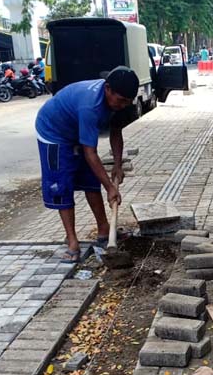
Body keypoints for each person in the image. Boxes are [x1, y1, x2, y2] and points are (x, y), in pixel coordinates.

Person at [34, 66, 139, 263]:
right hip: (54, 133)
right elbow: (90, 153)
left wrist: (117, 165)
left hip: (77, 131)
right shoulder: (90, 106)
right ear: (108, 89)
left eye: (128, 101)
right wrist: (110, 187)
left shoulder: (119, 104)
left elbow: (116, 132)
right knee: (62, 187)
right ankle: (72, 241)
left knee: (91, 180)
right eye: (121, 100)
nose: (124, 105)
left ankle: (104, 230)